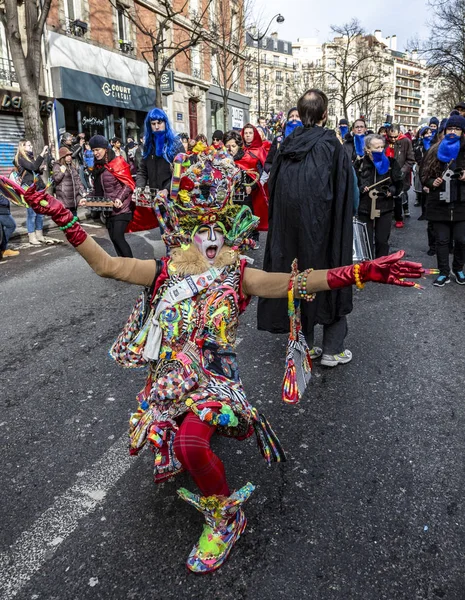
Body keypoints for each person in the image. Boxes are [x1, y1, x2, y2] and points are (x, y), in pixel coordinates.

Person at [3, 150, 424, 574]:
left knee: (190, 444)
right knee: (171, 434)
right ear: (187, 232)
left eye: (217, 230)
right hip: (169, 379)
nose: (209, 238)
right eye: (200, 229)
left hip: (214, 379)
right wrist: (58, 212)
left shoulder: (238, 274)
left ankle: (225, 516)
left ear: (230, 233)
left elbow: (295, 282)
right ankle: (183, 435)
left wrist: (361, 272)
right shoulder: (165, 270)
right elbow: (108, 265)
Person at [258, 89, 354, 368]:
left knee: (298, 278)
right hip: (325, 230)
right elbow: (346, 189)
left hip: (291, 232)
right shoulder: (332, 145)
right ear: (325, 114)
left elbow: (273, 188)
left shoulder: (286, 145)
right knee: (331, 275)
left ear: (299, 115)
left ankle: (305, 343)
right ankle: (332, 349)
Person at [420, 114, 465, 286]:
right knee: (442, 240)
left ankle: (458, 268)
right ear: (445, 131)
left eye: (458, 129)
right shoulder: (434, 150)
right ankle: (444, 272)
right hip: (439, 203)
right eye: (450, 129)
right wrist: (433, 182)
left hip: (461, 204)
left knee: (461, 239)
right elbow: (423, 175)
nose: (453, 132)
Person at [85, 134, 135, 258]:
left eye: (98, 150)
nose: (95, 153)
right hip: (107, 208)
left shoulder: (117, 162)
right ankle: (124, 266)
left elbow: (128, 184)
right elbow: (97, 190)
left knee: (118, 237)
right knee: (113, 238)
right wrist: (85, 199)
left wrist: (119, 198)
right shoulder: (98, 167)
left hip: (122, 208)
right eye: (93, 150)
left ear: (105, 149)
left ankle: (133, 266)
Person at [357, 134, 404, 258]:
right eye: (376, 147)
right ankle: (366, 268)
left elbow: (398, 183)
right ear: (367, 149)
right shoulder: (359, 164)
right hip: (365, 208)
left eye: (382, 147)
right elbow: (353, 184)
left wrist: (392, 191)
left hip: (385, 207)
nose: (380, 150)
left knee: (382, 241)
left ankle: (380, 266)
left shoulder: (391, 163)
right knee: (365, 241)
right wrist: (361, 188)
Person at [14, 139, 50, 245]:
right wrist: (42, 153)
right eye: (29, 145)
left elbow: (34, 170)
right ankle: (32, 237)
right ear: (23, 147)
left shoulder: (30, 157)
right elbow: (33, 167)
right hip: (29, 189)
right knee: (32, 214)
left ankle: (39, 235)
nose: (31, 147)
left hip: (37, 188)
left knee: (40, 213)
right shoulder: (20, 158)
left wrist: (41, 169)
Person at [240, 123, 269, 244]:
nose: (248, 136)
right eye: (246, 133)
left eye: (250, 133)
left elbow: (265, 169)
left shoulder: (260, 150)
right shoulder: (239, 149)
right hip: (241, 185)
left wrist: (256, 184)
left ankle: (254, 236)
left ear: (254, 134)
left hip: (255, 186)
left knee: (253, 211)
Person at [385, 124, 415, 225]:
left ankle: (399, 218)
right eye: (390, 137)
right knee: (386, 195)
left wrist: (402, 171)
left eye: (395, 137)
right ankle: (386, 218)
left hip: (400, 173)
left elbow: (410, 159)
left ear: (400, 133)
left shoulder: (406, 141)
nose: (392, 139)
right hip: (386, 173)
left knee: (398, 196)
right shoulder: (384, 140)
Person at [224, 130, 261, 212]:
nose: (230, 149)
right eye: (227, 146)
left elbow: (257, 176)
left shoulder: (248, 159)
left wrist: (251, 187)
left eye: (233, 146)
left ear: (239, 146)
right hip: (224, 200)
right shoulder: (220, 160)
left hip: (243, 200)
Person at [264, 107, 302, 174]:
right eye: (291, 116)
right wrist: (271, 172)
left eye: (298, 116)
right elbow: (268, 163)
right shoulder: (278, 140)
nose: (294, 118)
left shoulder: (307, 138)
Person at [52, 147, 86, 216]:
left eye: (70, 155)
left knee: (74, 220)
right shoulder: (57, 166)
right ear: (63, 157)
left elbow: (77, 180)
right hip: (64, 199)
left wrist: (83, 191)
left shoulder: (71, 166)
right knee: (67, 221)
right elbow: (56, 179)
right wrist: (62, 171)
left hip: (74, 199)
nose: (69, 157)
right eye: (67, 155)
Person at [0, 191, 19, 259]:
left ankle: (4, 249)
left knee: (2, 229)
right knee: (11, 225)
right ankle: (4, 248)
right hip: (2, 208)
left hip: (3, 208)